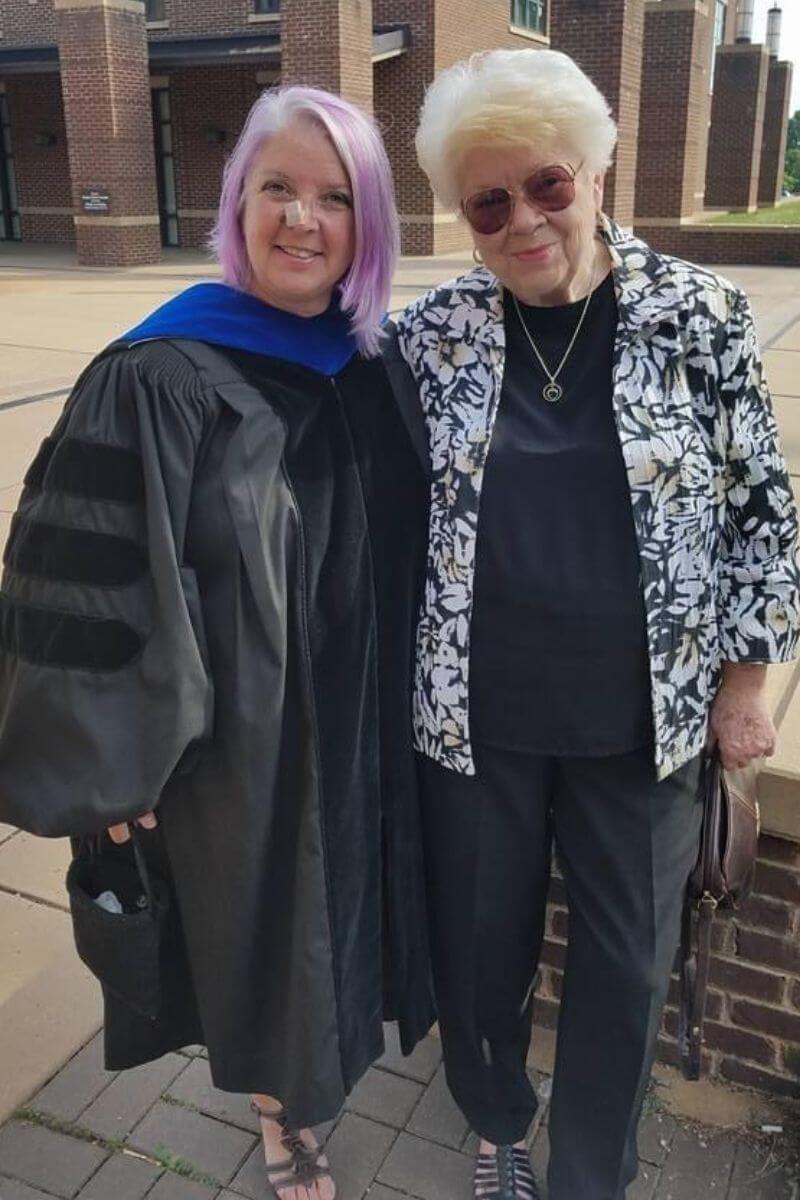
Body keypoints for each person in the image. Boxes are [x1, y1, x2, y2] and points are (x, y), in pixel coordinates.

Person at [0, 85, 434, 1200]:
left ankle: (313, 1097)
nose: (302, 218)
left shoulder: (373, 363)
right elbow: (79, 579)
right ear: (235, 204)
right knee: (273, 944)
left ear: (367, 223)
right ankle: (285, 1122)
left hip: (362, 723)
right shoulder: (156, 375)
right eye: (276, 188)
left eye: (334, 197)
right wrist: (114, 764)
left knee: (341, 931)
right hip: (242, 748)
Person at [393, 49, 800, 1200]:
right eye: (487, 200)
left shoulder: (699, 314)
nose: (521, 218)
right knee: (481, 958)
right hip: (475, 725)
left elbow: (759, 514)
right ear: (462, 216)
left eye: (546, 185)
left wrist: (741, 688)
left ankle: (588, 1175)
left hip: (643, 729)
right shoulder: (433, 338)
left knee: (625, 970)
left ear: (594, 174)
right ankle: (496, 1128)